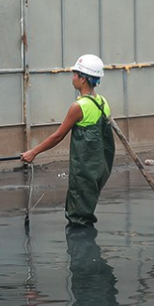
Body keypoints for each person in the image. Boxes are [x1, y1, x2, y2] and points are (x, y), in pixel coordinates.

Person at [21, 54, 115, 227]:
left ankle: (81, 251)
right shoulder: (102, 102)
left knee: (78, 216)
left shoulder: (78, 107)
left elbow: (58, 136)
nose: (72, 77)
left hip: (84, 170)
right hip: (98, 168)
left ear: (84, 79)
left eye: (75, 74)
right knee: (86, 210)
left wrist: (33, 152)